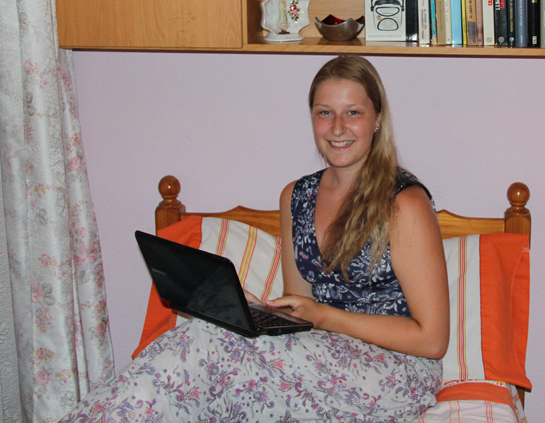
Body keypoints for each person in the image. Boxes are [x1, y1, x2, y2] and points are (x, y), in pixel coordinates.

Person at [60, 55, 449, 422]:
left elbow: (432, 340)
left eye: (353, 113)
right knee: (211, 340)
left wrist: (326, 317)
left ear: (377, 119)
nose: (337, 128)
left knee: (212, 346)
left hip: (395, 371)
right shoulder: (297, 197)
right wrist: (254, 310)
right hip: (322, 357)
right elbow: (301, 310)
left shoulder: (404, 203)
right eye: (324, 112)